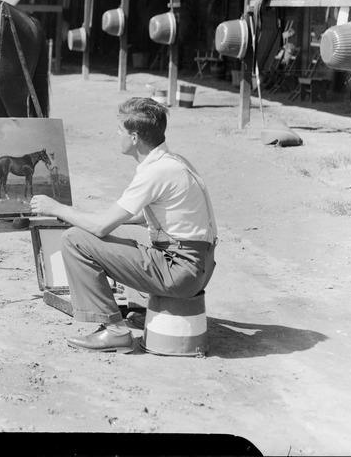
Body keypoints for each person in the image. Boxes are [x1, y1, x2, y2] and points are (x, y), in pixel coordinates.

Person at [30, 96, 217, 353]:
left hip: (181, 271)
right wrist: (92, 218)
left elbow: (100, 228)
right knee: (120, 231)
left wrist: (57, 208)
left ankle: (114, 330)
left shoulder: (155, 172)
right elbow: (143, 219)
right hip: (199, 265)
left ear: (134, 138)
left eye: (120, 131)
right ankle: (140, 308)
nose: (116, 135)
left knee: (74, 239)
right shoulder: (175, 162)